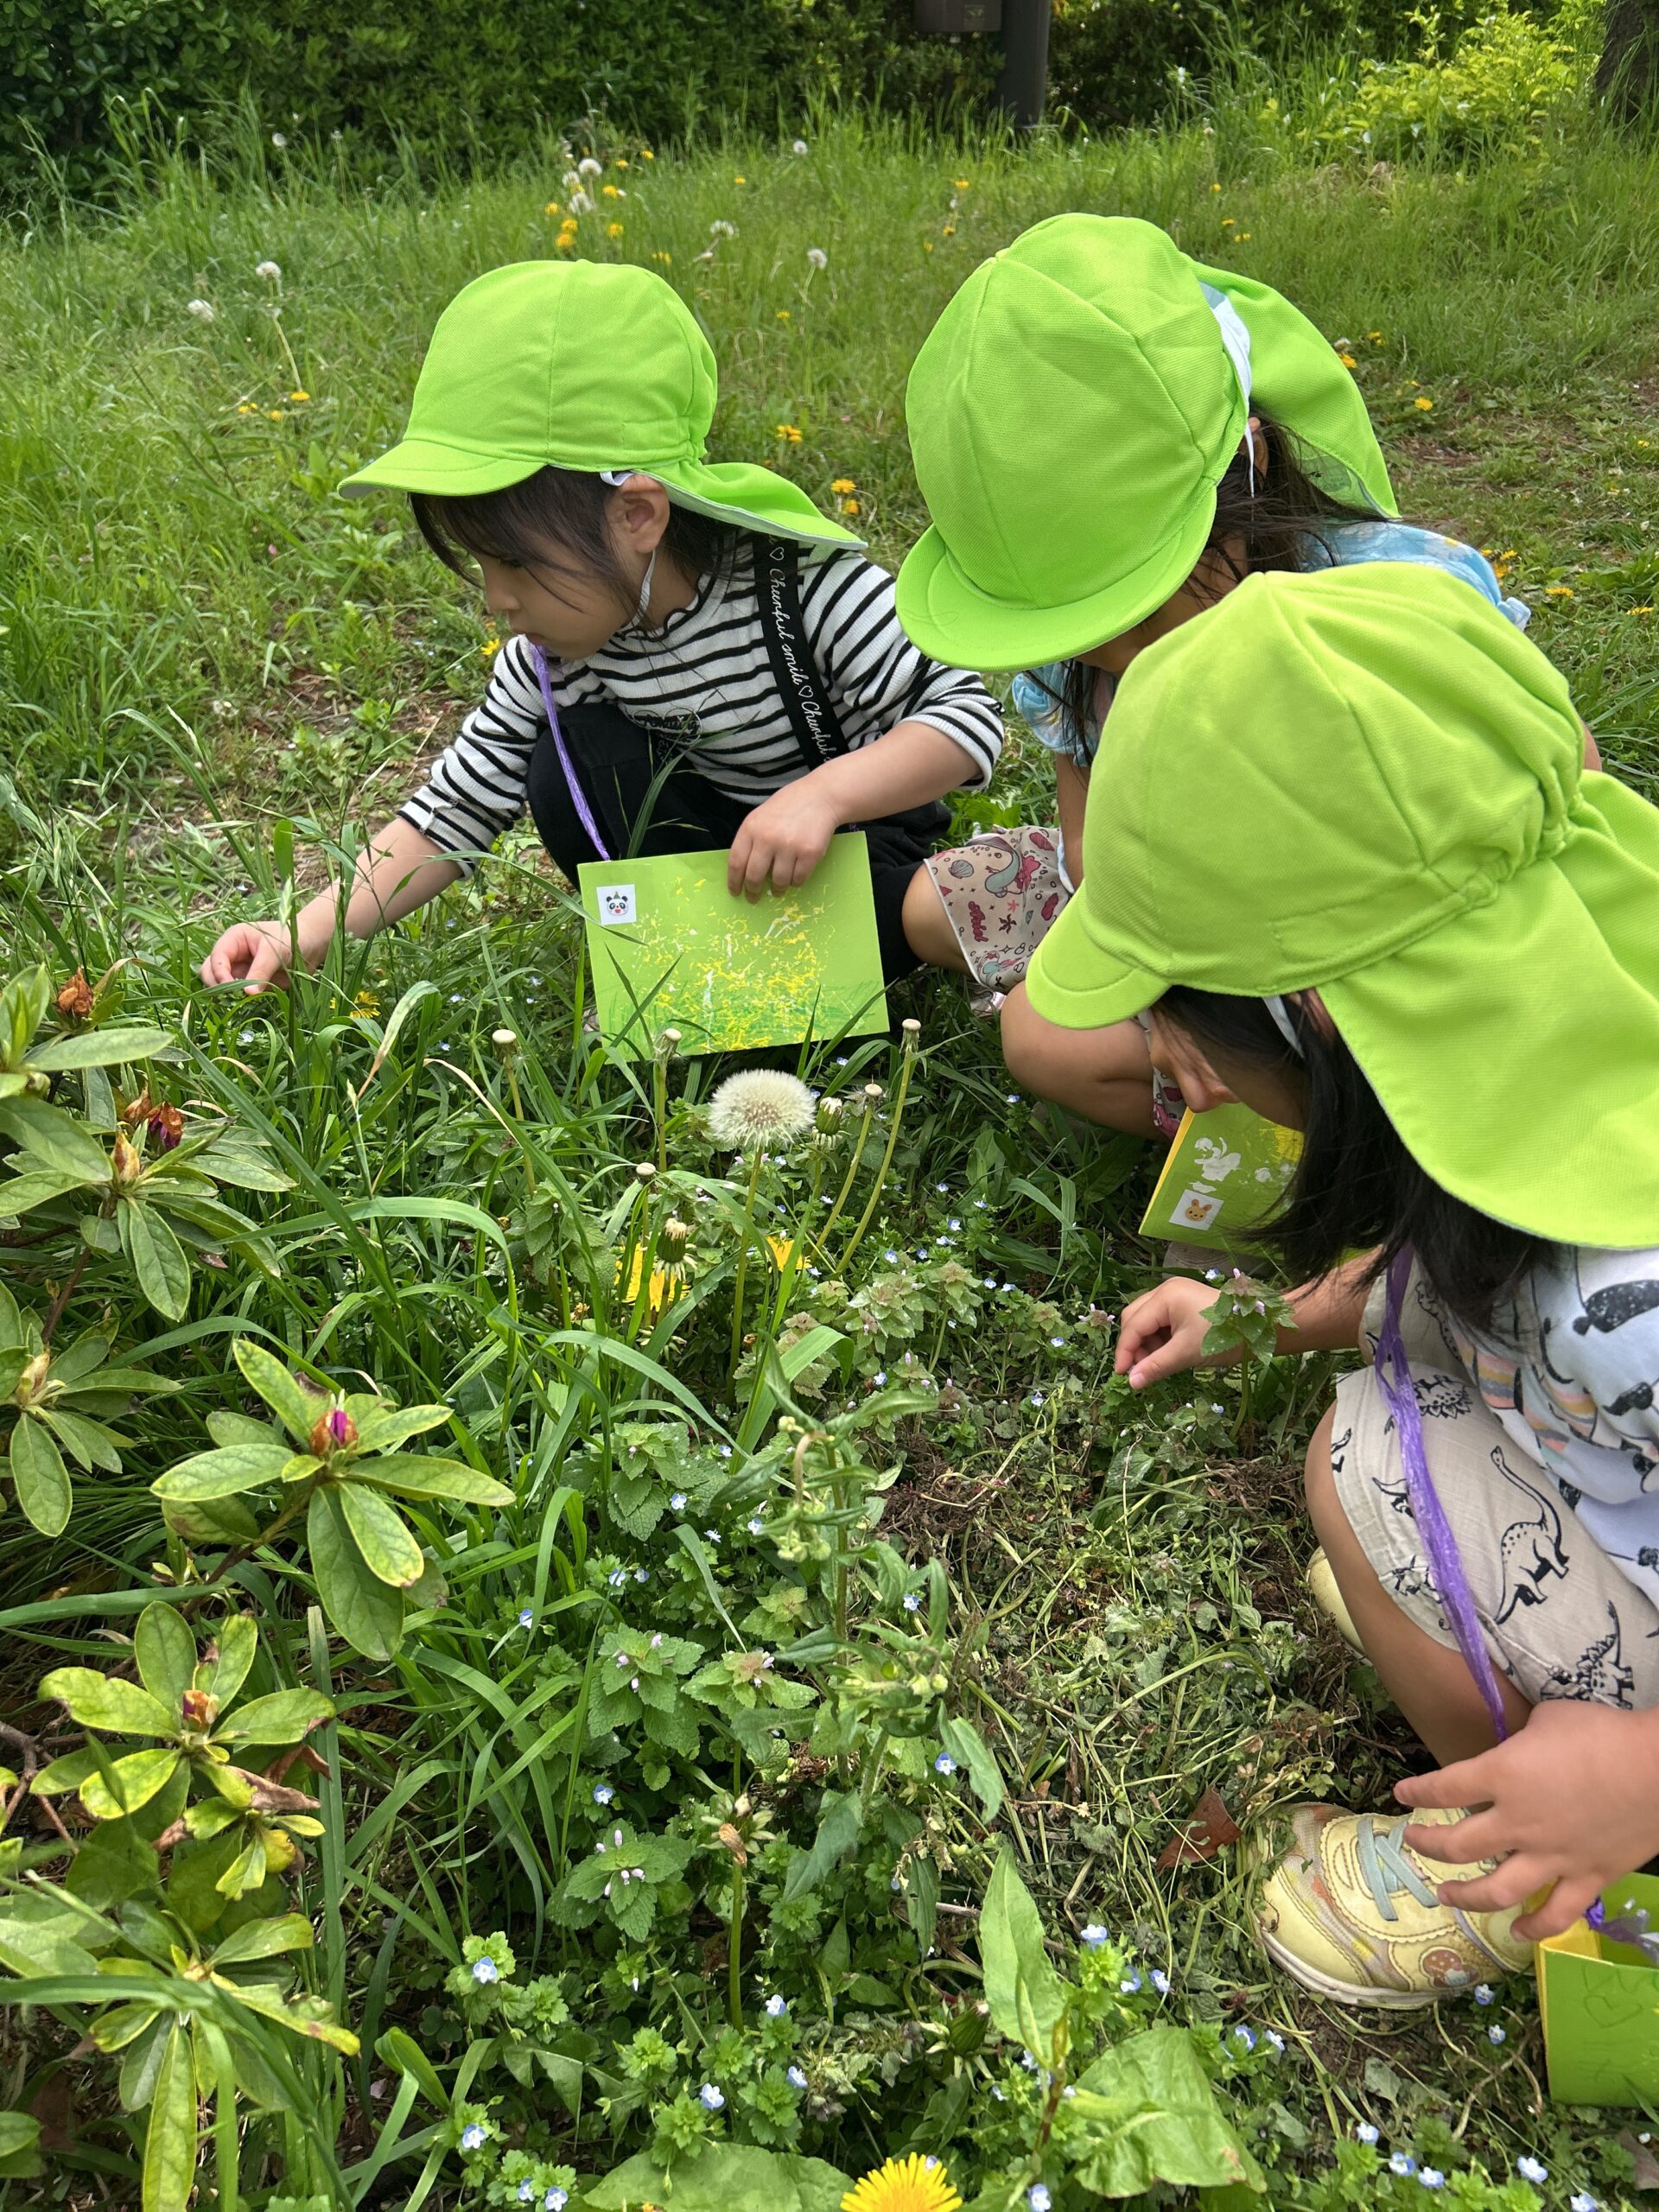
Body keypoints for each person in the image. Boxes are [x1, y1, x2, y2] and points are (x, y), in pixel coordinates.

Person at [1022, 557, 1659, 2003]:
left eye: (1186, 1016)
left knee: (1371, 1458)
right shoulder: (1573, 1040)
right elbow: (1451, 1275)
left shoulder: (1625, 1308)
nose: (1185, 1062)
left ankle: (1543, 1870)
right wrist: (1267, 1316)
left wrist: (1633, 1776)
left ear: (1312, 1011)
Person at [894, 215, 1565, 1137]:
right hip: (1168, 908)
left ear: (1250, 471)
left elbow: (1560, 783)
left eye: (1147, 606)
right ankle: (1254, 1116)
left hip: (1381, 922)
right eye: (1082, 631)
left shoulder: (1390, 599)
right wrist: (1168, 992)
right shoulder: (1072, 658)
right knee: (971, 954)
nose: (1119, 655)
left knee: (1245, 1042)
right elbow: (1092, 851)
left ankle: (1347, 1143)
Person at [200, 259, 1003, 1001]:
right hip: (721, 865)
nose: (498, 600)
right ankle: (719, 961)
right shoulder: (557, 656)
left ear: (637, 515)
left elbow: (966, 720)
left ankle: (901, 924)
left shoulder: (805, 591)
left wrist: (822, 797)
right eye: (481, 566)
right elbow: (458, 802)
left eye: (516, 563)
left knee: (903, 900)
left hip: (852, 844)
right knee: (562, 766)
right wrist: (305, 931)